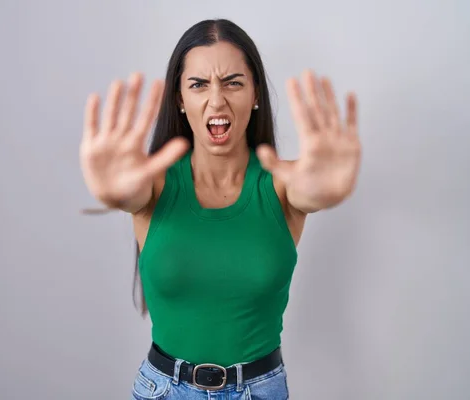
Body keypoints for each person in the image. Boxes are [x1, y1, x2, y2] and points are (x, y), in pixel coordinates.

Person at [80, 18, 361, 400]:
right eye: (198, 84)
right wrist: (114, 192)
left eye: (233, 82)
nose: (216, 100)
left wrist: (324, 191)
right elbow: (131, 195)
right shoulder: (153, 185)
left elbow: (307, 191)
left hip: (259, 391)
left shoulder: (282, 186)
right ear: (180, 98)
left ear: (255, 93)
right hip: (163, 390)